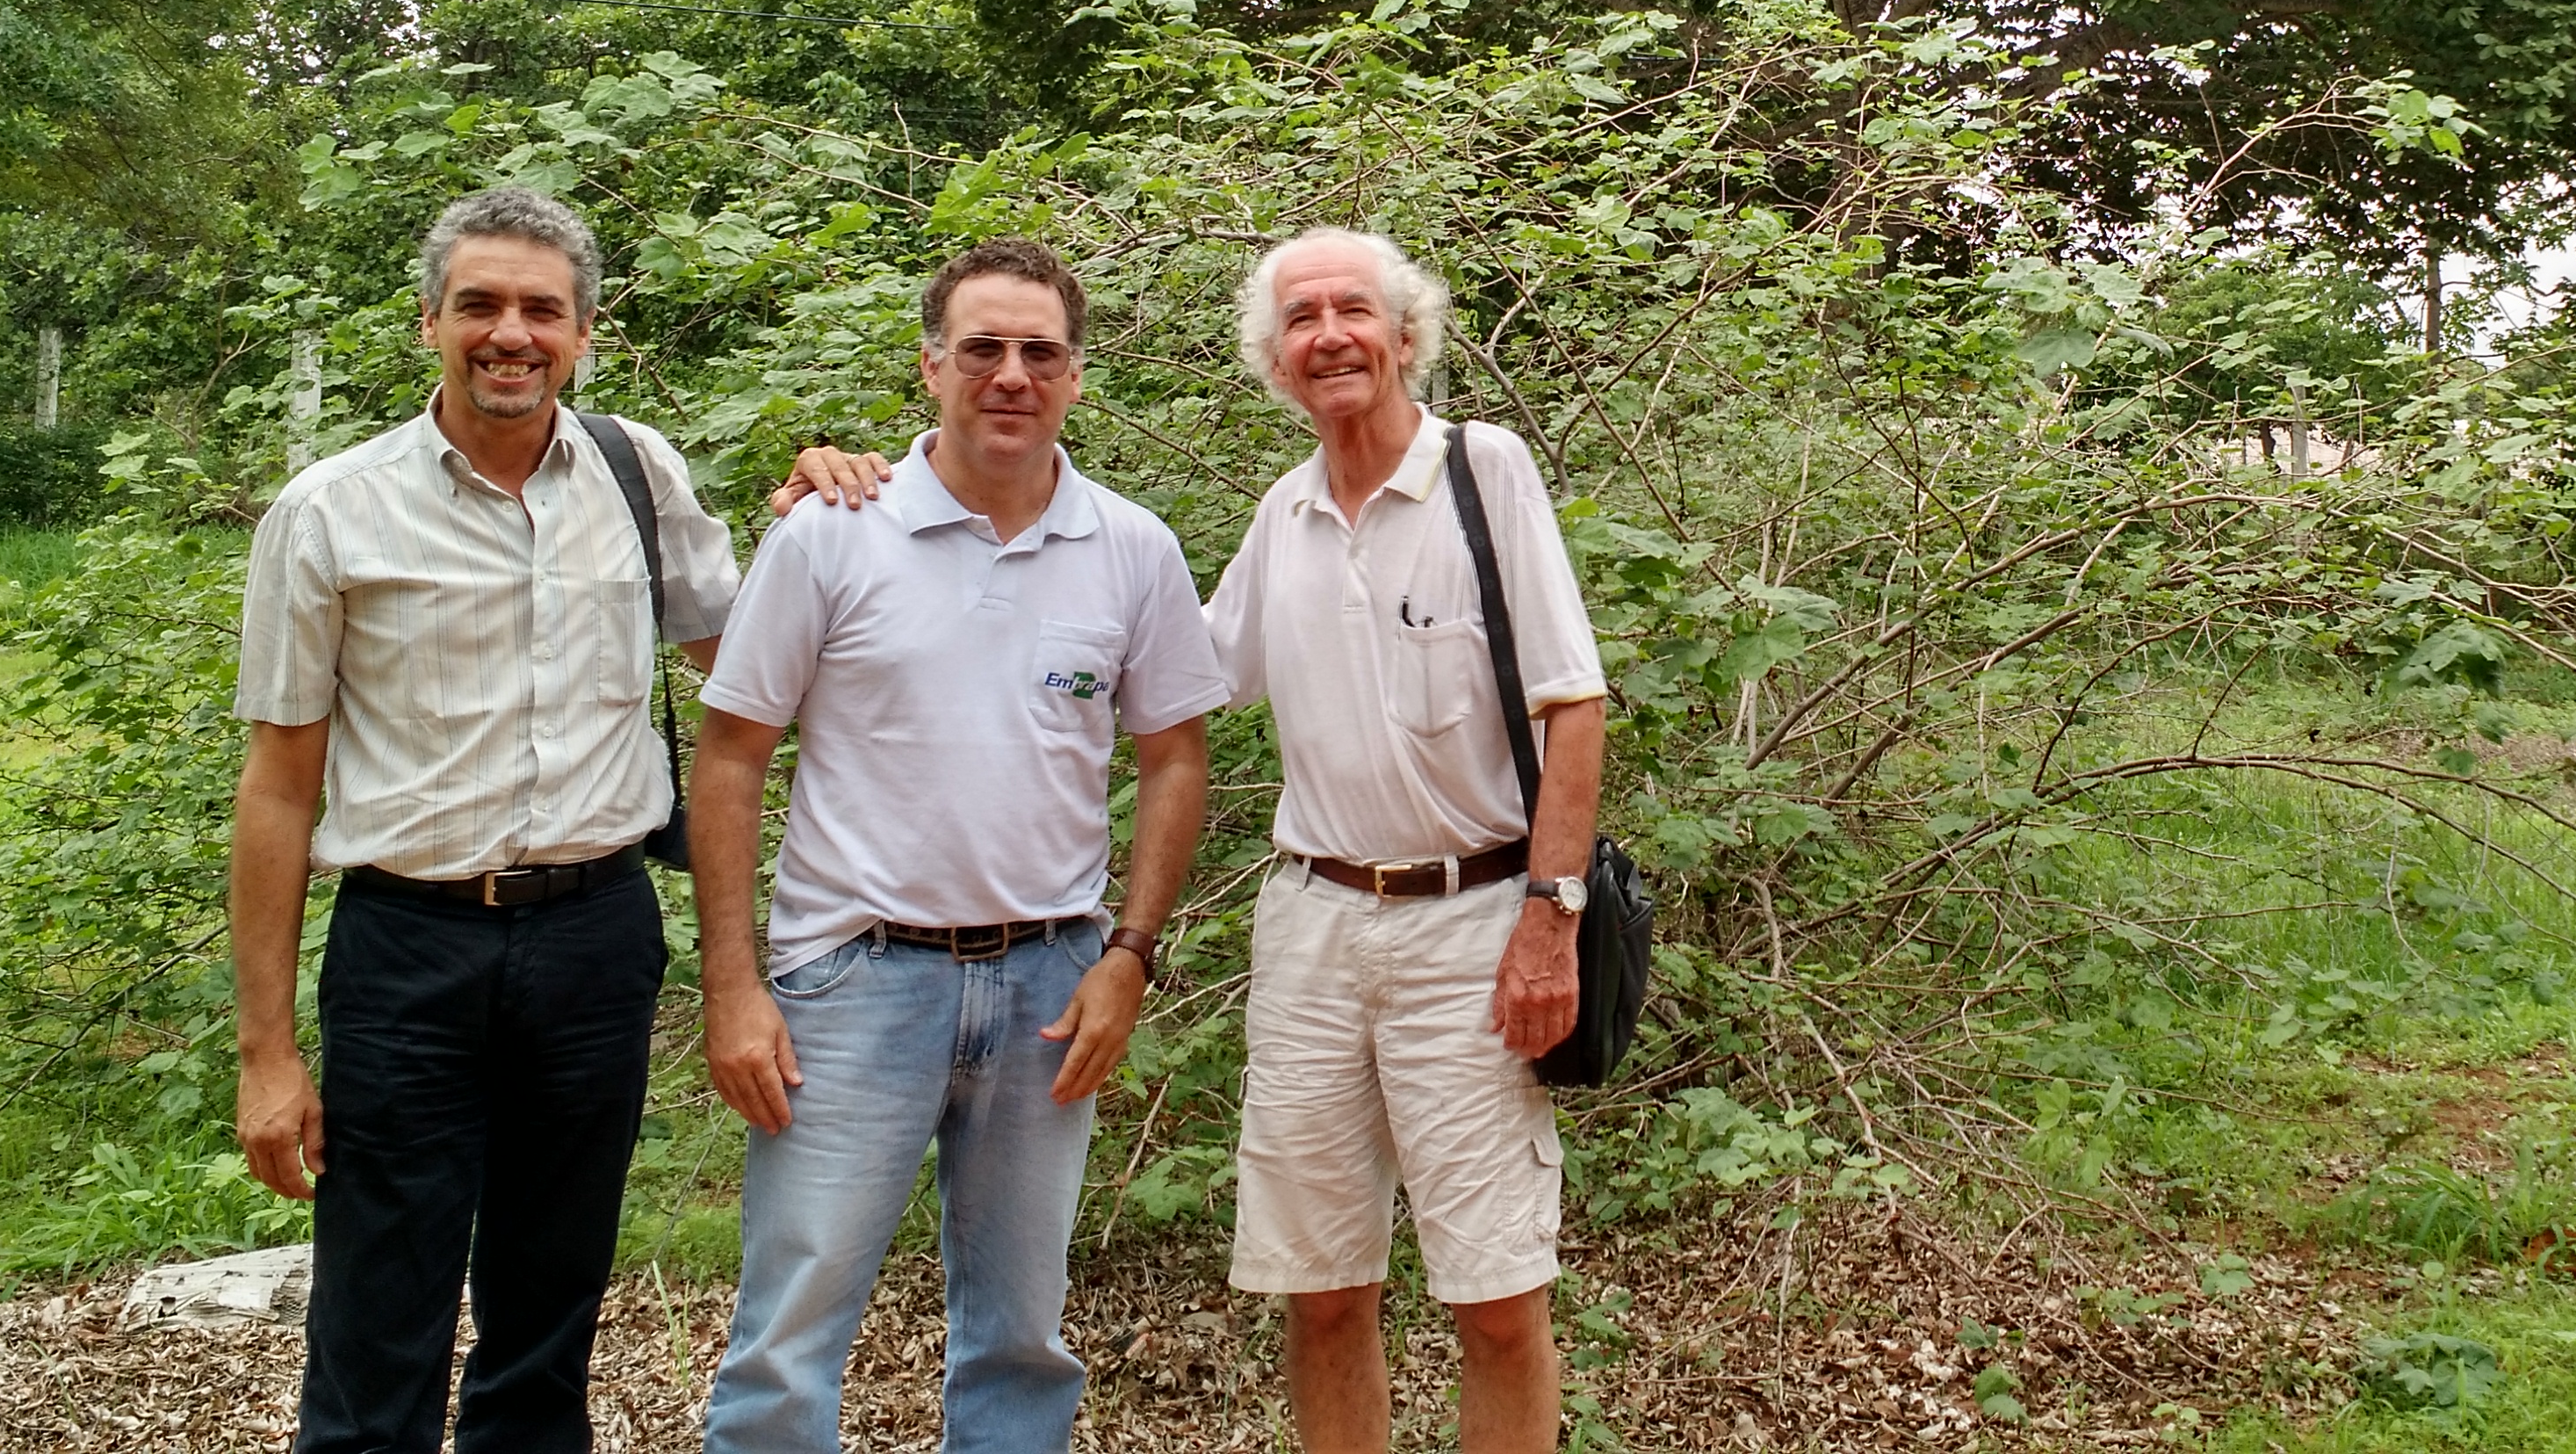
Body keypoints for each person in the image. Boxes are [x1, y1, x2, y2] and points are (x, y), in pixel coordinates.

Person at [232, 184, 750, 1454]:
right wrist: (265, 1052)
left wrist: (837, 511)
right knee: (380, 1299)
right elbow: (278, 787)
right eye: (480, 305)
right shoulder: (332, 510)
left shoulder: (639, 472)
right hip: (408, 946)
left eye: (540, 309)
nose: (510, 332)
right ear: (429, 322)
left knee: (551, 1296)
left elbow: (737, 663)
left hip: (596, 936)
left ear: (584, 332)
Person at [693, 235, 1227, 1454]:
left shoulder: (1131, 548)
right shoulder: (834, 533)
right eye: (982, 348)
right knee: (787, 1340)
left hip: (1053, 981)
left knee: (1024, 1342)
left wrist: (1129, 956)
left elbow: (1175, 755)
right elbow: (730, 755)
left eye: (1041, 352)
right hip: (853, 981)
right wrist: (734, 984)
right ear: (932, 366)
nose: (1011, 374)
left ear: (1077, 378)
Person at [1209, 227, 1608, 1454]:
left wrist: (1552, 919)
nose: (1329, 335)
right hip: (1314, 934)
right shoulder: (1281, 516)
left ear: (1404, 336)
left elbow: (1574, 701)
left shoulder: (1484, 473)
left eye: (1352, 311)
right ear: (1275, 359)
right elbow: (1170, 671)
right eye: (1302, 318)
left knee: (1495, 1300)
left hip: (1476, 930)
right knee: (1322, 1294)